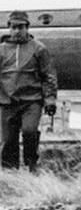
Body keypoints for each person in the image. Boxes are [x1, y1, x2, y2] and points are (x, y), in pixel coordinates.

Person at [0, 11, 57, 172]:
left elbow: (49, 75)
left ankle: (32, 164)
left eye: (21, 27)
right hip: (7, 102)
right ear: (9, 28)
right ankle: (10, 173)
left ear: (27, 28)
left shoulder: (39, 49)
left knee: (29, 131)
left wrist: (50, 99)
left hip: (31, 101)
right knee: (8, 140)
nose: (17, 31)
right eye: (14, 27)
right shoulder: (1, 50)